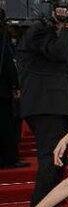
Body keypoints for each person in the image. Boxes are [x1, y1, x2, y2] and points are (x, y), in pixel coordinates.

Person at [16, 7, 68, 207]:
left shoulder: (51, 38)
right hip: (45, 106)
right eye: (61, 10)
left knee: (58, 158)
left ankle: (50, 204)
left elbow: (65, 67)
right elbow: (59, 53)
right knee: (51, 160)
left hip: (55, 105)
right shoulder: (37, 32)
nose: (67, 15)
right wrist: (65, 29)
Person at [0, 9, 28, 169]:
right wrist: (16, 85)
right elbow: (8, 63)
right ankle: (9, 158)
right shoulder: (4, 37)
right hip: (3, 91)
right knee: (7, 126)